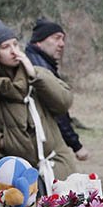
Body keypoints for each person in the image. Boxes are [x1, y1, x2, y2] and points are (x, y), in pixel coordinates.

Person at [0, 20, 76, 184]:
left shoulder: (36, 74)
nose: (14, 52)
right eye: (6, 47)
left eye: (15, 45)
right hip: (14, 173)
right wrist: (2, 141)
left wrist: (35, 75)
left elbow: (64, 102)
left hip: (55, 167)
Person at [25, 18, 89, 163]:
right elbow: (57, 111)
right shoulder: (40, 69)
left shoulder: (39, 63)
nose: (62, 44)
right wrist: (76, 145)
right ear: (39, 41)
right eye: (56, 38)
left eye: (63, 39)